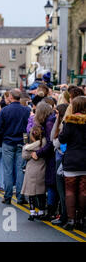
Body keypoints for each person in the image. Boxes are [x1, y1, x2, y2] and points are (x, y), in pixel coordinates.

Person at [0, 89, 30, 205]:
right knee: (20, 170)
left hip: (8, 142)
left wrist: (0, 140)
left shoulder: (4, 111)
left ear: (10, 97)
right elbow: (28, 128)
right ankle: (20, 197)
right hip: (21, 142)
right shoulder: (26, 110)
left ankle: (8, 196)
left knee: (8, 170)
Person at [58, 96, 86, 231]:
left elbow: (62, 139)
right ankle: (81, 219)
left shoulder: (69, 121)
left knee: (69, 191)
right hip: (85, 160)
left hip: (72, 159)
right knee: (83, 191)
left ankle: (71, 220)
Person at [29, 101, 57, 221]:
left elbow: (50, 143)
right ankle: (50, 211)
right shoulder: (50, 120)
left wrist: (38, 153)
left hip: (53, 157)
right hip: (52, 156)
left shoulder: (49, 122)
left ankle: (51, 212)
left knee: (51, 184)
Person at [21, 125, 47, 221]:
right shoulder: (44, 144)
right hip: (42, 168)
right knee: (41, 191)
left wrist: (28, 150)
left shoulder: (28, 147)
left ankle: (32, 212)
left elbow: (24, 156)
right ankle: (41, 211)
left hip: (31, 168)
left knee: (31, 191)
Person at [51, 103, 69, 226]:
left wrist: (57, 121)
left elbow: (55, 141)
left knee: (62, 190)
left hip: (62, 159)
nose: (54, 115)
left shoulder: (64, 125)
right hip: (71, 159)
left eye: (56, 113)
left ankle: (64, 216)